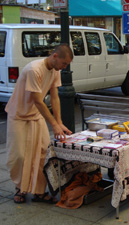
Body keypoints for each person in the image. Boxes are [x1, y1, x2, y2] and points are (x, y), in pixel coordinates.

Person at [5, 44, 73, 204]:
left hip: (36, 116)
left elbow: (54, 97)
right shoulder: (33, 69)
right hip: (19, 115)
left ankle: (39, 192)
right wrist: (54, 125)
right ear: (55, 56)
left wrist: (59, 122)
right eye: (64, 63)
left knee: (44, 153)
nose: (64, 67)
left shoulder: (55, 70)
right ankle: (20, 189)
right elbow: (37, 100)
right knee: (19, 156)